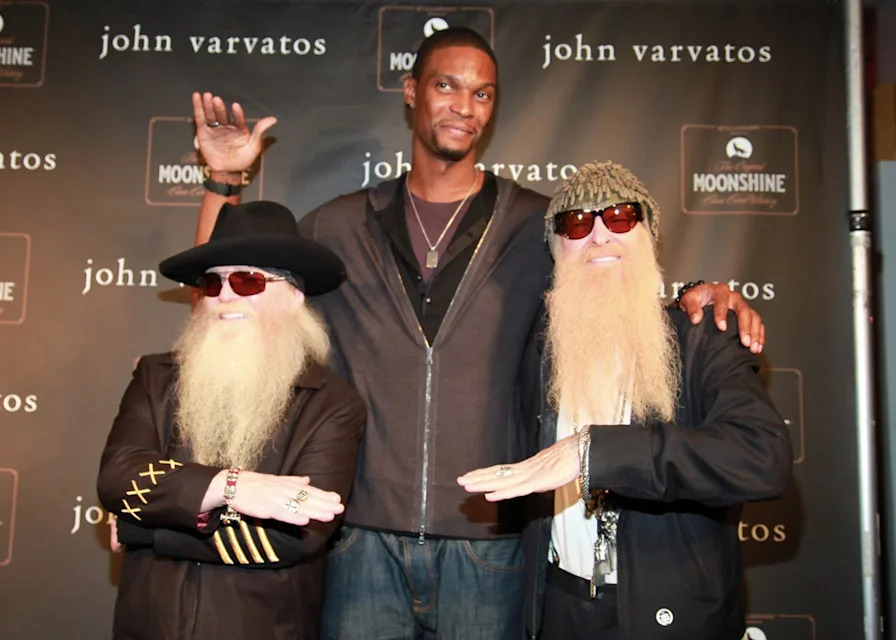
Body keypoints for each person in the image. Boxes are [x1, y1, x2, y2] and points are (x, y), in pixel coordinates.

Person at [190, 28, 765, 639]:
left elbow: (613, 283)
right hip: (361, 543)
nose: (465, 107)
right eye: (447, 85)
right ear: (411, 92)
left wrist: (697, 296)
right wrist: (224, 183)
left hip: (490, 548)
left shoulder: (540, 225)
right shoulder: (336, 224)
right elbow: (227, 300)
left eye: (483, 94)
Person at [457, 161, 791, 640]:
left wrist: (593, 452)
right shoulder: (539, 348)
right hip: (559, 611)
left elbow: (762, 458)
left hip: (672, 616)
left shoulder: (702, 339)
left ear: (649, 235)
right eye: (576, 223)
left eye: (619, 216)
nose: (598, 236)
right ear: (557, 249)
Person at [97, 200, 366, 639]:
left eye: (247, 280)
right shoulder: (155, 376)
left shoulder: (333, 404)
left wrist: (141, 529)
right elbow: (118, 478)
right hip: (148, 627)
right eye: (211, 282)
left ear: (294, 295)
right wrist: (230, 487)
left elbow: (294, 534)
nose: (224, 295)